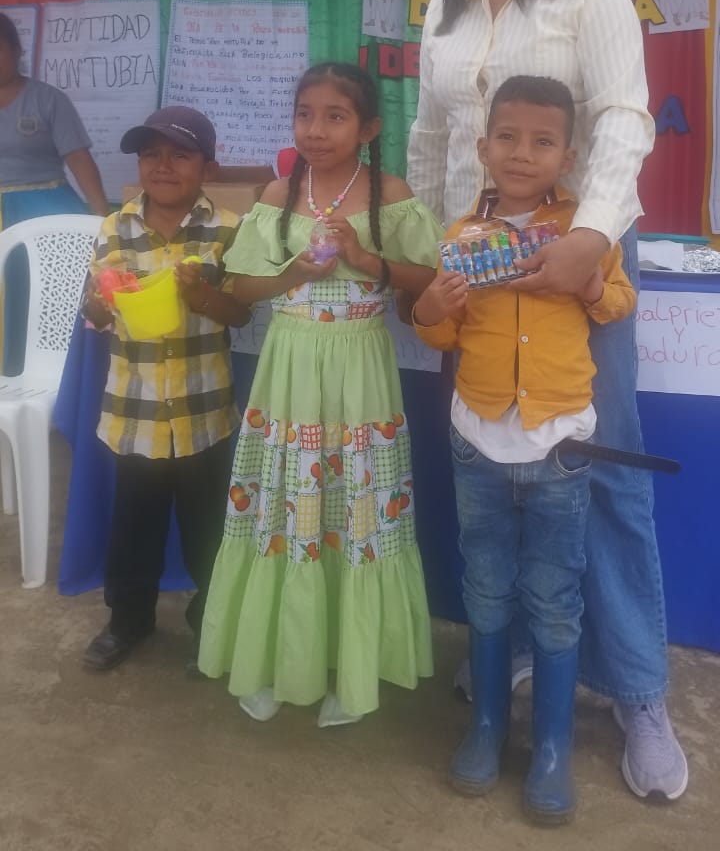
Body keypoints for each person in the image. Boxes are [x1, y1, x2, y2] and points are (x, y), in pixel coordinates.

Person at [406, 0, 688, 802]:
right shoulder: (442, 18)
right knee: (501, 460)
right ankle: (521, 648)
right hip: (478, 265)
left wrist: (590, 238)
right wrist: (431, 251)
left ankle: (640, 688)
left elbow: (623, 118)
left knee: (596, 461)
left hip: (580, 254)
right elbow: (430, 140)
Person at [414, 75, 635, 822]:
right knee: (485, 587)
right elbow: (441, 335)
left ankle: (551, 747)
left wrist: (588, 284)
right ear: (482, 148)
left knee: (554, 599)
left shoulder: (583, 231)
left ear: (567, 157)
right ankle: (486, 726)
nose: (521, 153)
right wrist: (429, 309)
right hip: (477, 440)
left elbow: (618, 302)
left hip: (560, 446)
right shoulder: (461, 238)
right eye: (507, 137)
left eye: (542, 142)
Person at [198, 63, 440, 726]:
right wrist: (292, 272)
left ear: (369, 128)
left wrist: (365, 260)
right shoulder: (279, 194)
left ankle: (350, 668)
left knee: (356, 505)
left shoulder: (390, 194)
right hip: (290, 368)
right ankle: (279, 660)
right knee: (288, 503)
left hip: (361, 370)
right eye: (305, 113)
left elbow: (428, 277)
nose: (316, 129)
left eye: (336, 116)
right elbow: (241, 287)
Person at [80, 105, 250, 671]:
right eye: (150, 154)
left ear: (208, 167)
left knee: (209, 528)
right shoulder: (114, 229)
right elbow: (95, 318)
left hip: (205, 412)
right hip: (137, 413)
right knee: (134, 526)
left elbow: (241, 315)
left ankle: (212, 620)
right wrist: (99, 304)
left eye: (180, 154)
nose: (163, 165)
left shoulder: (228, 230)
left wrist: (201, 296)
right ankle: (128, 619)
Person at [0, 11, 108, 370]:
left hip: (44, 207)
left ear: (16, 51)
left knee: (46, 297)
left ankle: (50, 375)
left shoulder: (47, 99)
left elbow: (79, 159)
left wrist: (102, 220)